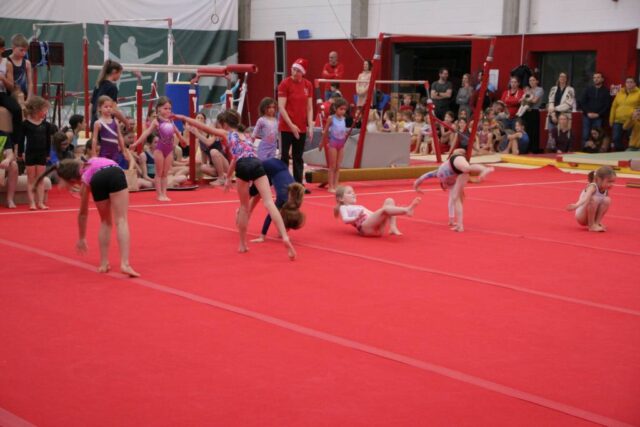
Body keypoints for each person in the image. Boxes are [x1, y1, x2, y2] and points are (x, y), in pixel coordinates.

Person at [176, 110, 297, 259]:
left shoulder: (227, 134)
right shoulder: (246, 136)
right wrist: (227, 178)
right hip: (256, 163)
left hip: (243, 165)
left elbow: (204, 128)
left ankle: (242, 244)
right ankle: (285, 236)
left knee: (244, 208)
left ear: (225, 124)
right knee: (269, 203)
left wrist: (183, 117)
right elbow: (234, 159)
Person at [35, 158, 140, 276]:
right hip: (114, 172)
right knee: (121, 220)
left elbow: (83, 213)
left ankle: (104, 263)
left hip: (98, 180)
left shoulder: (86, 179)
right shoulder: (90, 162)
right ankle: (125, 264)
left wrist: (82, 238)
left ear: (72, 179)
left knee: (105, 222)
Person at [414, 148, 494, 232]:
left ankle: (484, 169)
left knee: (466, 168)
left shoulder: (438, 174)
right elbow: (451, 202)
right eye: (447, 187)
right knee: (456, 199)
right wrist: (451, 220)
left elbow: (422, 177)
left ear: (442, 183)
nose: (447, 187)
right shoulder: (453, 184)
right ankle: (460, 226)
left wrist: (416, 186)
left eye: (445, 186)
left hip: (453, 161)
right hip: (460, 172)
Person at [131, 96, 187, 201]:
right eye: (165, 108)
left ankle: (164, 193)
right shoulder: (156, 121)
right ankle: (159, 194)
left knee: (165, 173)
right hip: (160, 149)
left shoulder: (171, 121)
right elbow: (146, 133)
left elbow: (176, 131)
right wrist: (136, 143)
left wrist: (182, 140)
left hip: (169, 150)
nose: (168, 111)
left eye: (169, 108)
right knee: (159, 173)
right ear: (159, 109)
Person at [249, 158, 306, 243]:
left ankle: (245, 211)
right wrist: (262, 236)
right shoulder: (282, 198)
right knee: (254, 193)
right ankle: (242, 211)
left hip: (281, 165)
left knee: (259, 193)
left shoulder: (296, 202)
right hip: (267, 166)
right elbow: (270, 216)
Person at [278, 58, 314, 193]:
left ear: (303, 72)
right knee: (284, 156)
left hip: (301, 126)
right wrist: (291, 125)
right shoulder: (285, 84)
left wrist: (310, 125)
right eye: (293, 69)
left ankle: (298, 185)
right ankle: (284, 183)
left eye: (298, 71)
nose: (294, 72)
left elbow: (309, 108)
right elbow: (281, 107)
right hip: (286, 126)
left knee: (298, 156)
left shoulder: (307, 85)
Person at [334, 185, 421, 236]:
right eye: (349, 193)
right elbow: (345, 220)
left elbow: (371, 214)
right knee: (384, 210)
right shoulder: (343, 207)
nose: (353, 194)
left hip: (376, 227)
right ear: (341, 199)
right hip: (366, 228)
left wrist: (387, 213)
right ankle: (407, 210)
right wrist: (355, 218)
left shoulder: (359, 207)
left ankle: (393, 227)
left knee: (389, 201)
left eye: (353, 192)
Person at [19, 96, 52, 210]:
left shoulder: (46, 125)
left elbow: (48, 141)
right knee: (31, 179)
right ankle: (32, 202)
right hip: (30, 153)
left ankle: (40, 202)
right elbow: (21, 140)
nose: (46, 112)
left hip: (42, 154)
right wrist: (20, 153)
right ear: (36, 110)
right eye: (44, 110)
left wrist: (48, 154)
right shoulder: (25, 124)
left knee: (40, 178)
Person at [566, 166, 616, 232]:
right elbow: (585, 198)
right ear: (599, 179)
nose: (611, 184)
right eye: (609, 182)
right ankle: (591, 225)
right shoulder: (593, 186)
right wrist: (576, 205)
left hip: (590, 215)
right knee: (594, 199)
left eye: (613, 182)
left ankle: (596, 223)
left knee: (607, 200)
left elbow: (602, 205)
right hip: (581, 216)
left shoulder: (605, 190)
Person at [185, 112, 229, 186]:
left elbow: (208, 143)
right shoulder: (200, 140)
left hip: (224, 164)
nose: (199, 120)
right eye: (198, 118)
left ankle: (221, 178)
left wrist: (196, 133)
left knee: (213, 151)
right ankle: (223, 175)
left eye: (201, 118)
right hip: (215, 167)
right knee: (203, 167)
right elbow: (204, 159)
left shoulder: (214, 131)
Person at [0, 37, 24, 156]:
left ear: (2, 49)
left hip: (1, 93)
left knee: (17, 110)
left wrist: (2, 78)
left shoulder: (7, 64)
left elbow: (11, 87)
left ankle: (15, 143)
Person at [90, 60, 130, 129]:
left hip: (95, 122)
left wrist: (91, 121)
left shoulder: (98, 85)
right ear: (114, 72)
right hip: (105, 125)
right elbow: (114, 110)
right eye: (120, 73)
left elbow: (90, 106)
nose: (120, 76)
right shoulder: (112, 88)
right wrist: (126, 122)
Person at [320, 97, 349, 193]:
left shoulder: (344, 119)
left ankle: (336, 185)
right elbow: (325, 131)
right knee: (332, 166)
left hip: (341, 144)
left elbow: (342, 130)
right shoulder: (331, 118)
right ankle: (330, 186)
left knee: (338, 166)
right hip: (333, 143)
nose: (343, 111)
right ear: (335, 108)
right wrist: (321, 143)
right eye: (341, 109)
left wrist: (344, 134)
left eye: (344, 109)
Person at [91, 95, 127, 162]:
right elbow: (94, 139)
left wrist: (123, 151)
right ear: (99, 108)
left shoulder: (115, 122)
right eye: (106, 107)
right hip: (104, 152)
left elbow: (120, 137)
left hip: (115, 152)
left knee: (114, 166)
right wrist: (93, 152)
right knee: (105, 166)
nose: (109, 108)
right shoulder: (98, 123)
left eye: (110, 107)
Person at [580, 72, 610, 147]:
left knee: (598, 135)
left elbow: (607, 105)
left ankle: (596, 150)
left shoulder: (606, 91)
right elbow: (582, 102)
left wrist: (598, 114)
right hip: (587, 116)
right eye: (594, 78)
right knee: (585, 134)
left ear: (602, 79)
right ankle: (584, 150)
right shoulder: (588, 89)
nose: (596, 79)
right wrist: (588, 112)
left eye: (598, 77)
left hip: (599, 117)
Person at [609, 77, 640, 151]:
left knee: (631, 139)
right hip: (618, 120)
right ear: (625, 84)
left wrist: (636, 115)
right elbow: (614, 106)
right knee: (616, 139)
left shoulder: (639, 93)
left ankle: (630, 152)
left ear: (635, 84)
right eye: (627, 82)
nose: (629, 84)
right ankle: (622, 153)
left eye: (631, 82)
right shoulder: (620, 93)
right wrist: (611, 119)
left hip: (631, 121)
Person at [545, 72, 575, 140]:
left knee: (563, 137)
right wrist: (553, 114)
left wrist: (555, 108)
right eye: (561, 76)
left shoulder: (570, 90)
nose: (562, 78)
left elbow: (568, 104)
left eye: (564, 77)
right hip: (552, 115)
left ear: (567, 79)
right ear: (558, 78)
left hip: (565, 116)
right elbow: (550, 102)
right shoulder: (553, 88)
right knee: (551, 137)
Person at [518, 75, 544, 153]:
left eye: (533, 80)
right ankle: (526, 149)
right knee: (527, 130)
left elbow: (534, 101)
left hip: (534, 111)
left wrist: (525, 99)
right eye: (530, 80)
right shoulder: (528, 89)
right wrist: (525, 99)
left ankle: (534, 149)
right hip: (526, 112)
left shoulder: (540, 89)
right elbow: (521, 101)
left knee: (534, 131)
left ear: (537, 81)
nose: (531, 82)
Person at [8, 34, 32, 101]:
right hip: (10, 96)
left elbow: (30, 83)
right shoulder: (6, 61)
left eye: (26, 50)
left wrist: (28, 99)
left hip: (24, 95)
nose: (24, 53)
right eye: (21, 50)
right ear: (13, 48)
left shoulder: (27, 63)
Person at [0, 127, 18, 208]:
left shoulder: (3, 134)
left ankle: (10, 200)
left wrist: (7, 160)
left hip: (1, 164)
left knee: (13, 165)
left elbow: (10, 154)